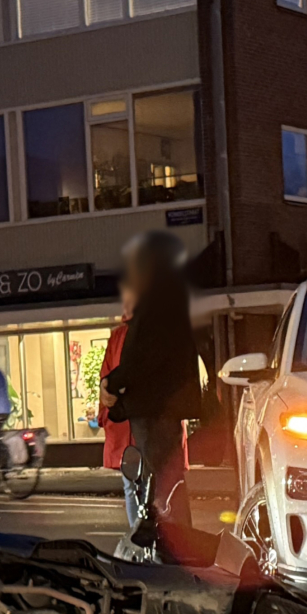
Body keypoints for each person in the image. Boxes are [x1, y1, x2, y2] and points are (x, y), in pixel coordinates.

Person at [100, 232, 205, 563]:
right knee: (162, 481)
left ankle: (166, 555)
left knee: (157, 482)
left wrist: (114, 385)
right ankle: (171, 550)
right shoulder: (168, 300)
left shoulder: (158, 304)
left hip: (155, 410)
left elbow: (144, 358)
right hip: (158, 409)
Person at [100, 286, 138, 554]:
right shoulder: (118, 336)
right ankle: (139, 533)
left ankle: (143, 534)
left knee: (139, 482)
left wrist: (107, 389)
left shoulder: (135, 333)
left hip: (139, 419)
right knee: (132, 482)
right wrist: (105, 391)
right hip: (128, 421)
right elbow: (106, 373)